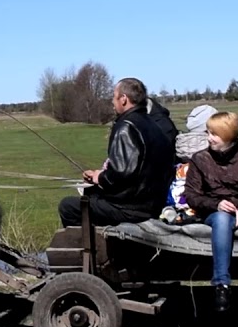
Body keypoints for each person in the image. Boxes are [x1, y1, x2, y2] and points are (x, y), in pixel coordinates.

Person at [182, 112, 238, 312]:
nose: (209, 138)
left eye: (215, 134)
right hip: (215, 208)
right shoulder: (200, 159)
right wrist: (216, 204)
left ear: (229, 135)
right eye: (209, 133)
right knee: (222, 220)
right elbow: (192, 195)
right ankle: (221, 284)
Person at [59, 78, 171, 228]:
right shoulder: (154, 125)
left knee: (68, 206)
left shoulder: (126, 127)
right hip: (154, 204)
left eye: (114, 96)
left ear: (123, 99)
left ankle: (95, 248)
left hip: (132, 209)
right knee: (91, 193)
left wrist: (100, 177)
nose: (112, 101)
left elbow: (121, 175)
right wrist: (100, 176)